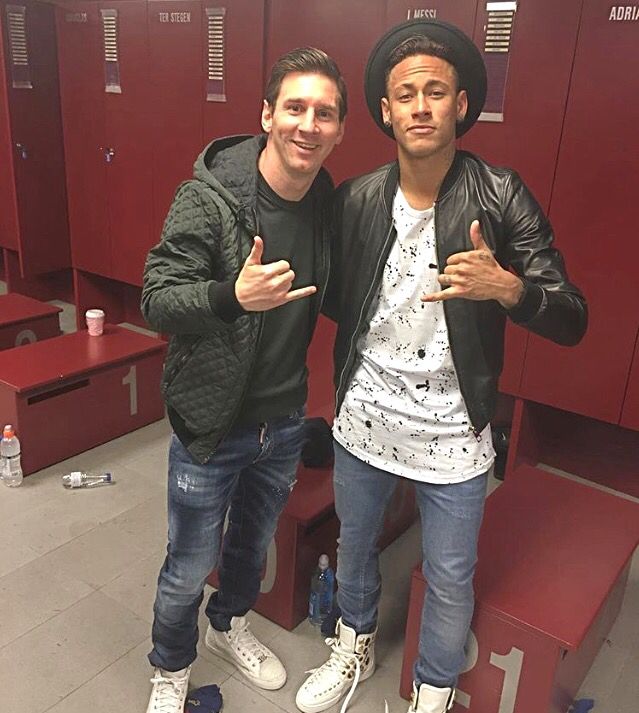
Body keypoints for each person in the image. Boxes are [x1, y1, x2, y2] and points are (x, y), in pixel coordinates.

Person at [296, 20, 587, 713]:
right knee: (357, 544)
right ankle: (354, 642)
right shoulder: (357, 199)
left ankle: (432, 685)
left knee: (452, 573)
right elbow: (329, 295)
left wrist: (509, 289)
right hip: (365, 417)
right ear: (386, 111)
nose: (420, 106)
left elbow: (571, 315)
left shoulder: (500, 194)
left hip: (454, 431)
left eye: (435, 92)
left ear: (460, 105)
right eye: (406, 94)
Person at [141, 47, 346, 713]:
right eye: (294, 107)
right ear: (266, 115)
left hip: (282, 421)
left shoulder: (324, 200)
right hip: (211, 421)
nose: (307, 124)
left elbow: (334, 291)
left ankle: (227, 624)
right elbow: (158, 298)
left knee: (251, 548)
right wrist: (231, 295)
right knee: (184, 566)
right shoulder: (208, 198)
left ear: (338, 129)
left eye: (324, 113)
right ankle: (170, 667)